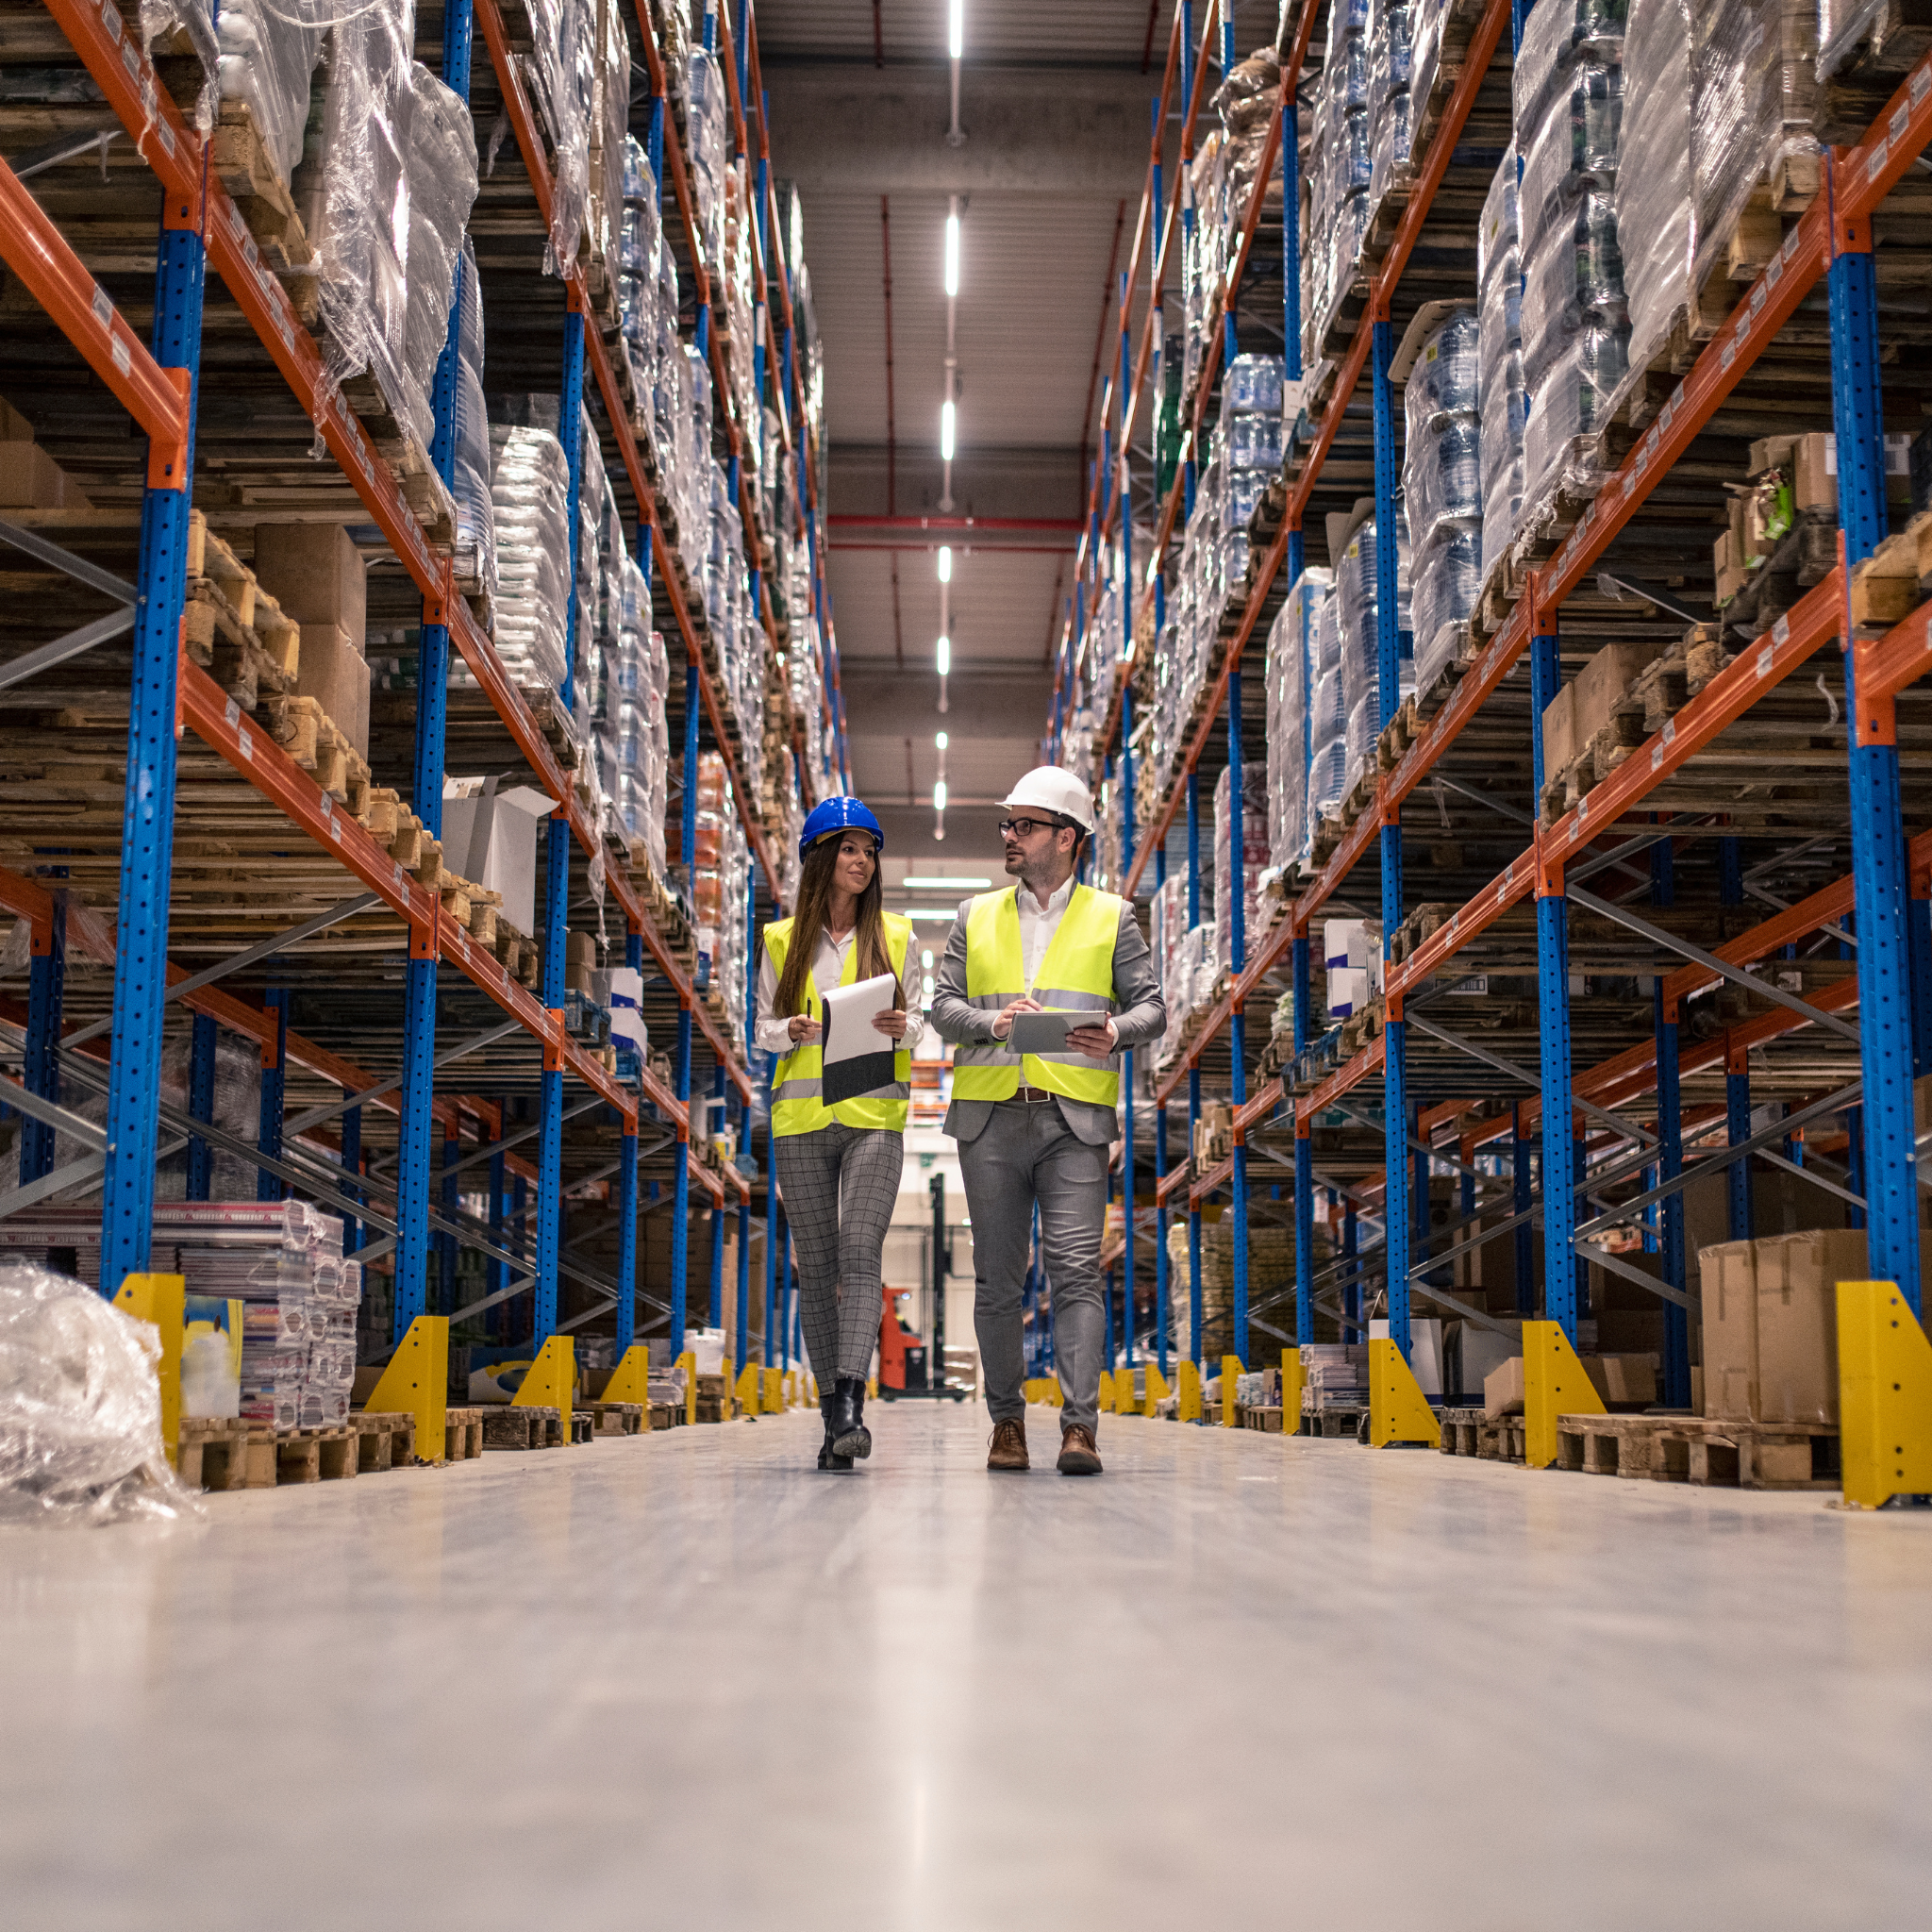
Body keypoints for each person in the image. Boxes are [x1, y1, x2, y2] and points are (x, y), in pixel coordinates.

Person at [929, 766, 1164, 1475]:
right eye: (1007, 825)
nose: (1009, 836)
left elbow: (1151, 1006)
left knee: (1074, 1275)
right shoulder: (974, 916)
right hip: (990, 1119)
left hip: (1074, 1124)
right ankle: (1007, 1426)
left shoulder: (1112, 916)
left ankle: (1078, 1429)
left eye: (1024, 825)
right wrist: (992, 1022)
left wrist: (1116, 1034)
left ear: (1066, 838)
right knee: (1000, 1281)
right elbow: (940, 1006)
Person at [755, 796, 919, 1472]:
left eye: (870, 850)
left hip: (874, 1116)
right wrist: (786, 1030)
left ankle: (851, 1403)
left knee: (860, 1249)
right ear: (821, 858)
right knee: (816, 1271)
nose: (863, 861)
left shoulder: (900, 936)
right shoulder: (779, 940)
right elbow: (760, 1030)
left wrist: (902, 1027)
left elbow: (917, 1022)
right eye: (850, 848)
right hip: (800, 1124)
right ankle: (832, 1420)